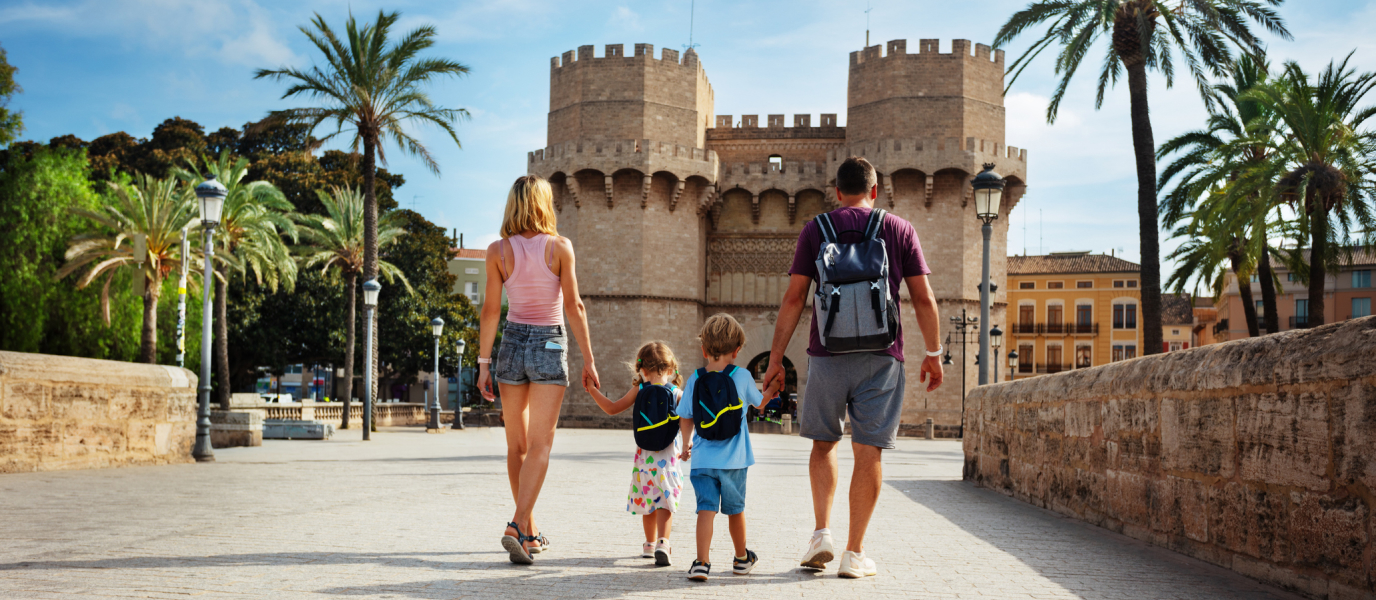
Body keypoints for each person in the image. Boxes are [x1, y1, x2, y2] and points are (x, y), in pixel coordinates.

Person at [762, 156, 944, 579]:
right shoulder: (898, 228)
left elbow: (793, 298)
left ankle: (820, 533)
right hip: (883, 357)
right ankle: (854, 553)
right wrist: (933, 353)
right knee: (869, 450)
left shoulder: (815, 229)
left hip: (827, 353)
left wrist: (775, 359)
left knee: (824, 444)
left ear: (837, 192)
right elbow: (922, 297)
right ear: (875, 191)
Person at [477, 175, 600, 565]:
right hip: (549, 343)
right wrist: (589, 359)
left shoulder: (497, 250)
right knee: (541, 445)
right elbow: (574, 306)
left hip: (511, 344)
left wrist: (483, 364)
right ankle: (516, 525)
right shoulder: (560, 247)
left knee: (517, 446)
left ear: (513, 204)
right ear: (546, 204)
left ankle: (528, 533)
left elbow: (491, 310)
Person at [677, 314, 780, 581]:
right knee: (735, 510)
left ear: (703, 349)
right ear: (736, 352)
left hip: (702, 460)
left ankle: (701, 562)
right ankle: (741, 559)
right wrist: (772, 390)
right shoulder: (742, 376)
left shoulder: (695, 379)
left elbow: (685, 416)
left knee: (705, 510)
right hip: (735, 461)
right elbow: (759, 404)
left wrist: (686, 444)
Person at [584, 341, 686, 566]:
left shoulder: (639, 390)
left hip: (644, 461)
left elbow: (611, 408)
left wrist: (592, 389)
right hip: (667, 460)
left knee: (649, 501)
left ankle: (649, 545)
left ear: (642, 370)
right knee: (664, 503)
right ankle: (663, 543)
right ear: (670, 370)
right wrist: (689, 443)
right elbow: (691, 417)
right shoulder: (676, 392)